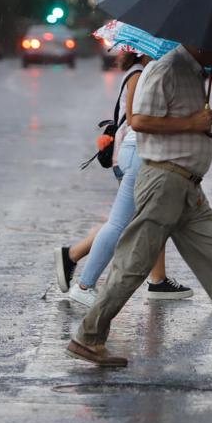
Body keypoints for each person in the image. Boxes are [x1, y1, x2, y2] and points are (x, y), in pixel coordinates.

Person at [67, 44, 212, 367]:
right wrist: (192, 124)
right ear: (196, 40)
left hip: (187, 185)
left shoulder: (193, 70)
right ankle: (88, 336)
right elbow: (139, 120)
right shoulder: (165, 69)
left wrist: (200, 126)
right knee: (135, 260)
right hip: (165, 179)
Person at [54, 50, 192, 307]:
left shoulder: (140, 73)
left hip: (132, 151)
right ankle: (82, 277)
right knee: (124, 224)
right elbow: (136, 118)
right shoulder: (139, 75)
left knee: (140, 220)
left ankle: (153, 280)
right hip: (138, 151)